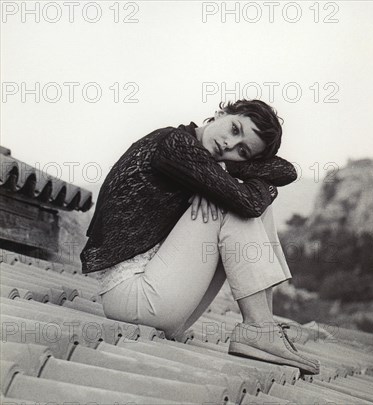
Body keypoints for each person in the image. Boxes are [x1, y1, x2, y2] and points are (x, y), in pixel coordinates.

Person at [80, 99, 320, 375]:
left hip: (167, 302)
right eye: (234, 128)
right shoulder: (174, 144)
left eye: (242, 150)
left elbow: (287, 172)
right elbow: (251, 204)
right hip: (131, 299)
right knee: (237, 206)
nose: (230, 144)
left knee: (242, 202)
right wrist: (225, 181)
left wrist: (227, 171)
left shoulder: (202, 162)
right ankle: (260, 328)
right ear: (221, 113)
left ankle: (263, 325)